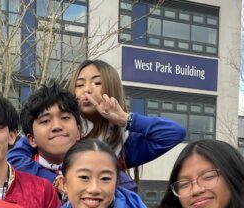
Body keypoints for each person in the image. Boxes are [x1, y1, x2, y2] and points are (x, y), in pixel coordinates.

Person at [70, 59, 187, 193]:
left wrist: (126, 119)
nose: (87, 90)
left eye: (97, 83)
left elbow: (174, 133)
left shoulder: (124, 143)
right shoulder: (62, 134)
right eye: (79, 84)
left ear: (111, 89)